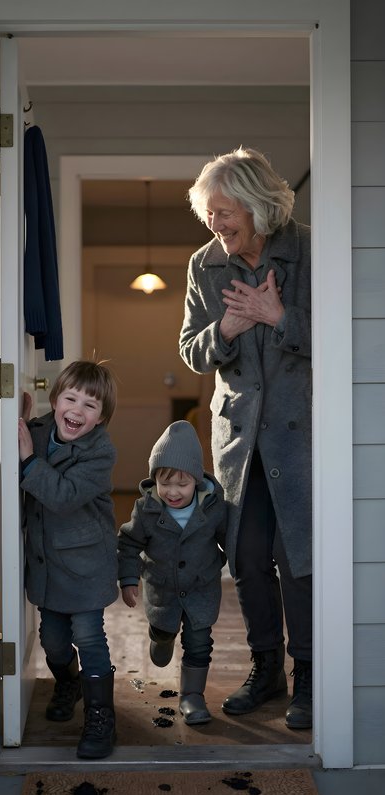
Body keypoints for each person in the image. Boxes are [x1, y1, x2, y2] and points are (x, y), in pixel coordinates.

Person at [179, 146, 312, 730]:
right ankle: (266, 669)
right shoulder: (204, 264)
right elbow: (191, 351)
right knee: (248, 556)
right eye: (208, 213)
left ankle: (310, 673)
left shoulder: (309, 251)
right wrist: (227, 328)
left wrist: (279, 318)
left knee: (298, 556)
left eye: (224, 212)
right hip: (239, 437)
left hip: (301, 433)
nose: (215, 224)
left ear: (258, 207)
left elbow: (348, 335)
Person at [18, 359, 119, 758]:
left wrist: (29, 461)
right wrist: (18, 419)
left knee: (89, 638)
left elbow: (62, 496)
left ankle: (100, 716)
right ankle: (68, 682)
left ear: (101, 418)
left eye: (90, 405)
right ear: (56, 399)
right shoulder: (38, 432)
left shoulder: (100, 453)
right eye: (71, 399)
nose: (77, 410)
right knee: (53, 642)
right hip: (47, 564)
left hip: (87, 565)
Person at [117, 420, 227, 725]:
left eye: (182, 484)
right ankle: (160, 636)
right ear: (154, 479)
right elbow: (128, 544)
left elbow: (229, 539)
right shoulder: (146, 509)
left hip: (201, 589)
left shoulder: (213, 508)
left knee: (199, 642)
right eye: (165, 483)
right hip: (162, 590)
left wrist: (224, 562)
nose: (173, 492)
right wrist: (128, 579)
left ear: (197, 480)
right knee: (165, 629)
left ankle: (192, 696)